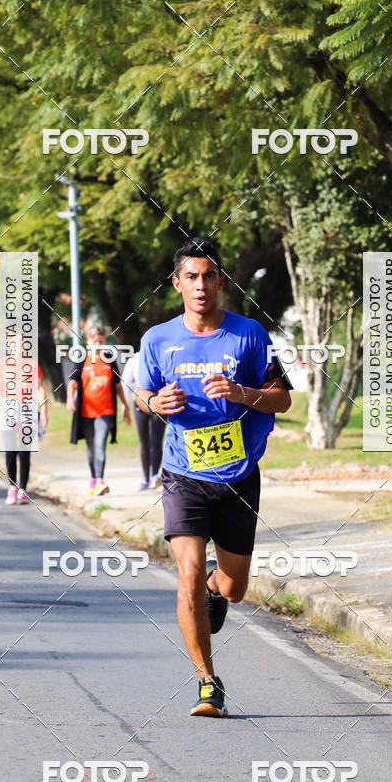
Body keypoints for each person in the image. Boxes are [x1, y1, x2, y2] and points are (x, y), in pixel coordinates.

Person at [137, 238, 292, 718]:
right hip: (184, 473)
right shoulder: (157, 340)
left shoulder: (249, 335)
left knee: (234, 588)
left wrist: (243, 392)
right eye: (191, 277)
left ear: (220, 280)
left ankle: (213, 589)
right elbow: (142, 391)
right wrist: (153, 404)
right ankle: (207, 683)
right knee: (184, 574)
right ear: (177, 283)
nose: (200, 286)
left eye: (209, 276)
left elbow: (283, 399)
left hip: (239, 476)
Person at [67, 324, 131, 495]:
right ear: (88, 341)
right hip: (86, 412)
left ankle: (101, 480)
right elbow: (72, 382)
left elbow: (117, 385)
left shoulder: (109, 358)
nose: (98, 345)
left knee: (100, 445)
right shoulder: (81, 359)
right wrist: (69, 400)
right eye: (94, 341)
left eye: (101, 341)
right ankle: (93, 479)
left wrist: (125, 406)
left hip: (106, 411)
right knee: (91, 448)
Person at [0, 354, 48, 505]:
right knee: (10, 450)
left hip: (27, 409)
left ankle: (23, 490)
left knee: (25, 451)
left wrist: (44, 412)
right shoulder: (2, 363)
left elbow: (40, 388)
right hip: (8, 408)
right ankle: (12, 488)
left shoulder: (32, 364)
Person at [122, 350, 166, 491]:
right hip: (140, 401)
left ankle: (154, 476)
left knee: (156, 439)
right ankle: (145, 478)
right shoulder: (136, 358)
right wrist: (125, 405)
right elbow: (125, 381)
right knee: (144, 441)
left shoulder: (162, 355)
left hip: (158, 401)